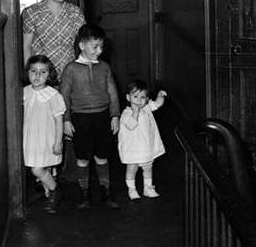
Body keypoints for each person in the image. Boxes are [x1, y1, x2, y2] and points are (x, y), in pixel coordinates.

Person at [59, 24, 120, 209]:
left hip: (102, 118)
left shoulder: (105, 68)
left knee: (102, 156)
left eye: (101, 46)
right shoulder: (71, 69)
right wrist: (66, 119)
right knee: (83, 157)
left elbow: (113, 93)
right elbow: (63, 96)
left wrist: (115, 115)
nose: (99, 51)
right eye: (95, 47)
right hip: (81, 119)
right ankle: (84, 194)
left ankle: (105, 191)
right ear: (81, 45)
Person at [22, 0, 86, 79]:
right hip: (42, 77)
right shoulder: (32, 13)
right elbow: (26, 47)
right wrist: (30, 76)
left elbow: (85, 44)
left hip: (70, 76)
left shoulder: (75, 12)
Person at [23, 55, 65, 214]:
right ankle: (49, 192)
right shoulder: (24, 92)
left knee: (37, 169)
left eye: (42, 72)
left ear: (49, 74)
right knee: (36, 166)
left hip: (46, 139)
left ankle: (56, 190)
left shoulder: (53, 95)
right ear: (28, 72)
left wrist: (58, 142)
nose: (37, 76)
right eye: (33, 71)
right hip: (30, 138)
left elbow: (59, 121)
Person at [118, 80, 167, 200]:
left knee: (148, 167)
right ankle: (132, 188)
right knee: (132, 169)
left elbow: (158, 104)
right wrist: (135, 112)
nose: (139, 100)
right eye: (135, 96)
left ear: (147, 99)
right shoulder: (126, 113)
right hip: (133, 148)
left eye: (143, 97)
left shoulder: (147, 108)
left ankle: (148, 187)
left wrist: (160, 95)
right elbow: (131, 125)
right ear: (128, 97)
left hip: (146, 147)